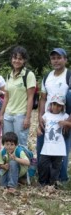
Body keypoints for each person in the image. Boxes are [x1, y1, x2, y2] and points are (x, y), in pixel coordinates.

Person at [38, 48, 70, 183]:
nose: (56, 60)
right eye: (53, 58)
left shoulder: (68, 75)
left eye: (59, 57)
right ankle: (43, 178)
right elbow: (43, 98)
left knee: (61, 149)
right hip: (48, 118)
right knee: (43, 148)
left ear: (65, 59)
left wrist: (69, 120)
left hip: (63, 119)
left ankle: (60, 179)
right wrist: (40, 116)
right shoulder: (47, 77)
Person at [0, 46, 36, 148]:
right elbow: (6, 97)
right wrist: (1, 115)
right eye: (15, 58)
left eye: (20, 59)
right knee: (8, 143)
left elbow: (30, 98)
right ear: (11, 59)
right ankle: (10, 164)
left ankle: (22, 164)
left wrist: (27, 118)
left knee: (20, 144)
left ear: (24, 60)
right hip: (8, 115)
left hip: (20, 115)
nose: (17, 61)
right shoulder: (9, 75)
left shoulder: (29, 75)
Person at [37, 94, 69, 187]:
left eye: (59, 105)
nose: (56, 107)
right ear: (50, 105)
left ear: (62, 107)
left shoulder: (64, 116)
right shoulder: (46, 115)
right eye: (54, 104)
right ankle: (42, 182)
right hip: (47, 146)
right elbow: (40, 125)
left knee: (56, 167)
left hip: (59, 148)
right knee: (43, 164)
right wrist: (38, 129)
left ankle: (52, 184)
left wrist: (65, 123)